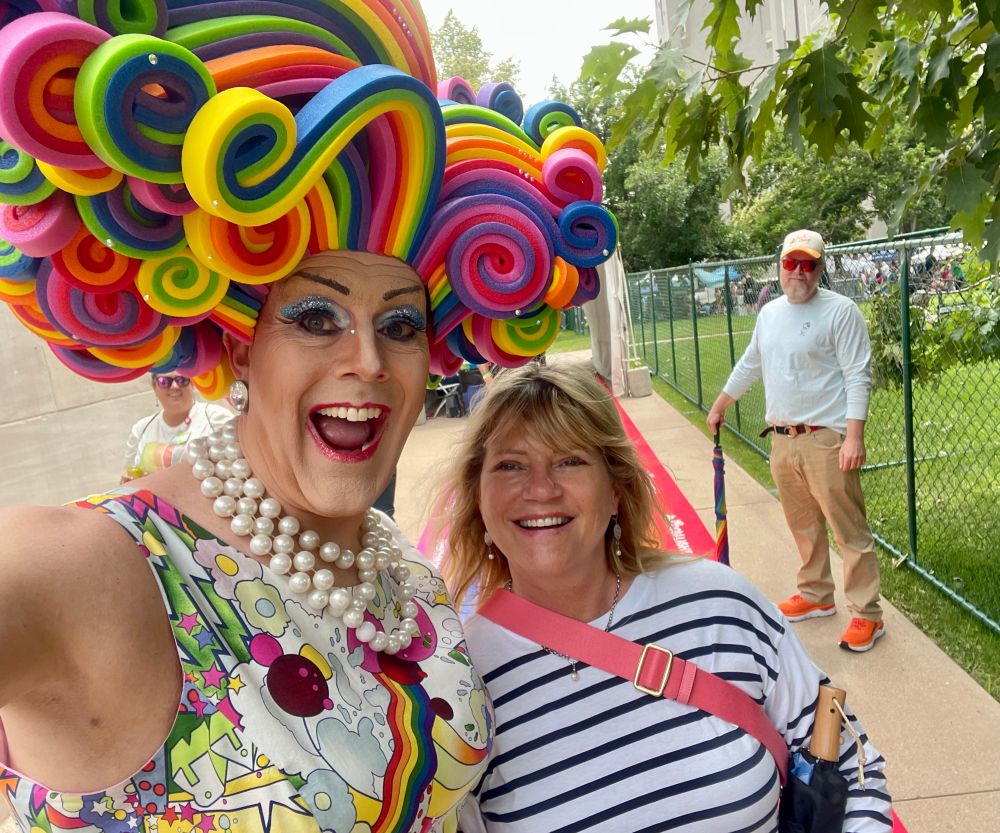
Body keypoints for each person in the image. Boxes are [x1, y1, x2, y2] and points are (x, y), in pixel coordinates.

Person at [0, 2, 618, 830]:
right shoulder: (103, 573)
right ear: (242, 343)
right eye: (316, 317)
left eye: (399, 323)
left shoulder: (394, 558)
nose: (367, 358)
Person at [438, 362, 891, 832]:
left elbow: (851, 769)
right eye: (511, 465)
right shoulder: (459, 684)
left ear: (616, 488)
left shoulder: (722, 606)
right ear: (478, 496)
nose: (540, 489)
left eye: (569, 460)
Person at [707, 229, 884, 652]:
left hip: (826, 438)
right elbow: (752, 361)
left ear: (821, 268)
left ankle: (867, 614)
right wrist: (720, 404)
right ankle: (816, 594)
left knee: (849, 531)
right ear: (780, 265)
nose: (799, 273)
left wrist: (853, 437)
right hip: (782, 440)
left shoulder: (841, 312)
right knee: (803, 526)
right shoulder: (769, 312)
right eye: (792, 263)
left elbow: (858, 374)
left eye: (809, 264)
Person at [121, 371, 233, 482]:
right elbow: (128, 478)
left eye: (182, 380)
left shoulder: (216, 418)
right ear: (155, 388)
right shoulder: (141, 429)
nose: (174, 386)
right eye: (164, 382)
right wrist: (126, 481)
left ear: (192, 384)